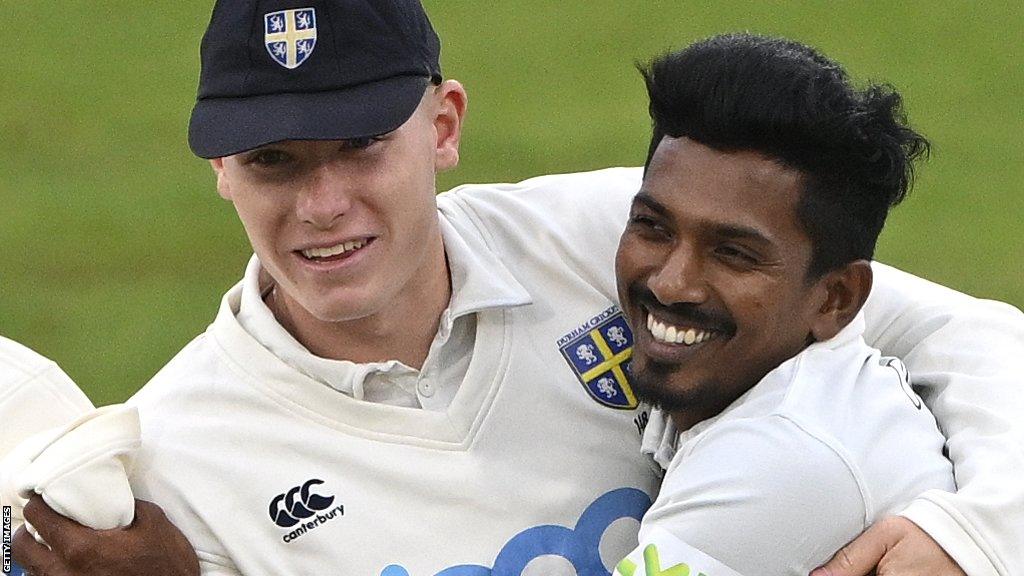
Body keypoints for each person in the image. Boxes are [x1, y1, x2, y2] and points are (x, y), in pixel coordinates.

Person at [11, 1, 1024, 575]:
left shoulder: (628, 242)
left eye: (361, 147)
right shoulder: (174, 468)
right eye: (274, 161)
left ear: (443, 126)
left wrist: (975, 531)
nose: (322, 204)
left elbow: (977, 339)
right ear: (220, 171)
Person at [611, 34, 953, 576]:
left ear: (836, 298)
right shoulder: (814, 395)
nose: (672, 284)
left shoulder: (776, 461)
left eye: (734, 254)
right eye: (653, 227)